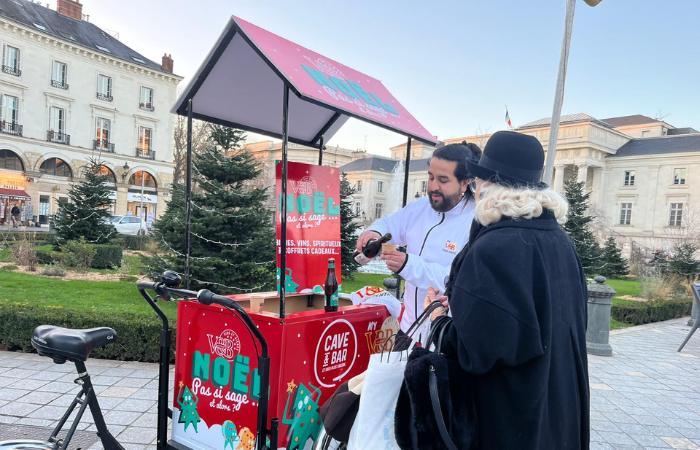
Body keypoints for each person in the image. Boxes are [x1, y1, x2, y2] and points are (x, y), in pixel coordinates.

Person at [428, 131, 589, 449]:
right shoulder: (560, 241)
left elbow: (474, 352)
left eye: (476, 181)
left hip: (511, 419)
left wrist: (438, 319)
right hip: (558, 411)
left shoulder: (495, 246)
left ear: (486, 184)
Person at [355, 142, 481, 339]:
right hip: (407, 328)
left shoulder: (477, 221)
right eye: (430, 177)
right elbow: (390, 223)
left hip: (442, 335)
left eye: (443, 180)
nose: (433, 187)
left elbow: (459, 281)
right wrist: (374, 233)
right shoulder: (421, 207)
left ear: (465, 183)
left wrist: (408, 264)